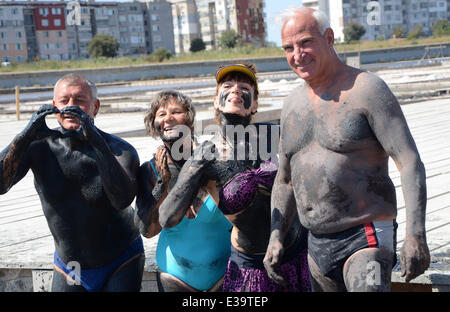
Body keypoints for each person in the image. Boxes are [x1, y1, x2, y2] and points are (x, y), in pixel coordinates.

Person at [263, 7, 430, 292]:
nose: (297, 54)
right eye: (288, 48)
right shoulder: (292, 104)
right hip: (315, 244)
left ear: (329, 38)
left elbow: (409, 161)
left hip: (366, 237)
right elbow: (286, 180)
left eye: (305, 42)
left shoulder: (367, 89)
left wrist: (415, 233)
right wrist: (276, 235)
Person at [158, 64, 311, 292]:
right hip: (250, 265)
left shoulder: (274, 136)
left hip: (297, 253)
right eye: (227, 86)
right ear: (216, 101)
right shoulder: (206, 156)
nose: (235, 90)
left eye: (244, 87)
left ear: (255, 104)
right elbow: (167, 218)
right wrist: (196, 166)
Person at [0, 73, 144, 292]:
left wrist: (94, 137)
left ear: (95, 107)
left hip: (120, 258)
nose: (71, 107)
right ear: (53, 106)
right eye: (64, 101)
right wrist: (24, 136)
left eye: (79, 101)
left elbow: (122, 199)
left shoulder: (119, 150)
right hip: (70, 265)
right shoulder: (38, 147)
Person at [134, 90, 232, 292]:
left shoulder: (215, 159)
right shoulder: (151, 171)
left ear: (189, 120)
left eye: (176, 112)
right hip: (175, 278)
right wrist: (162, 186)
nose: (168, 118)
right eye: (161, 114)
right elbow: (147, 231)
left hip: (225, 275)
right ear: (155, 125)